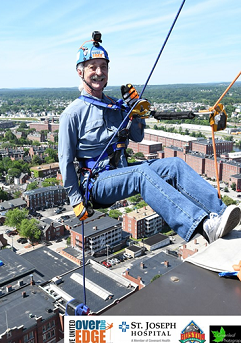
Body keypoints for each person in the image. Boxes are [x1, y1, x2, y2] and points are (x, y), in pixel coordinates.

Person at [58, 32, 240, 244]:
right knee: (141, 173)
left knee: (174, 165)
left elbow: (137, 136)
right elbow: (65, 160)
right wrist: (76, 199)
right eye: (92, 67)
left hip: (121, 170)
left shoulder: (115, 106)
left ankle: (221, 213)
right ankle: (202, 226)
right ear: (80, 72)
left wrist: (136, 114)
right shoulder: (72, 114)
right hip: (96, 182)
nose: (99, 72)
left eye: (104, 67)